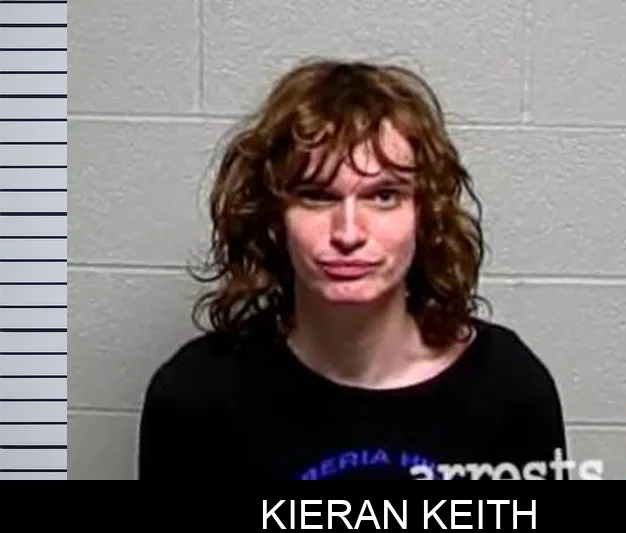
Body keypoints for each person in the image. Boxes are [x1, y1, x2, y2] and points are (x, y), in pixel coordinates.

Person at [137, 58, 569, 480]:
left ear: (424, 216)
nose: (348, 233)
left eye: (383, 196)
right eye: (317, 195)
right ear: (274, 218)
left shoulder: (507, 387)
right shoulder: (197, 396)